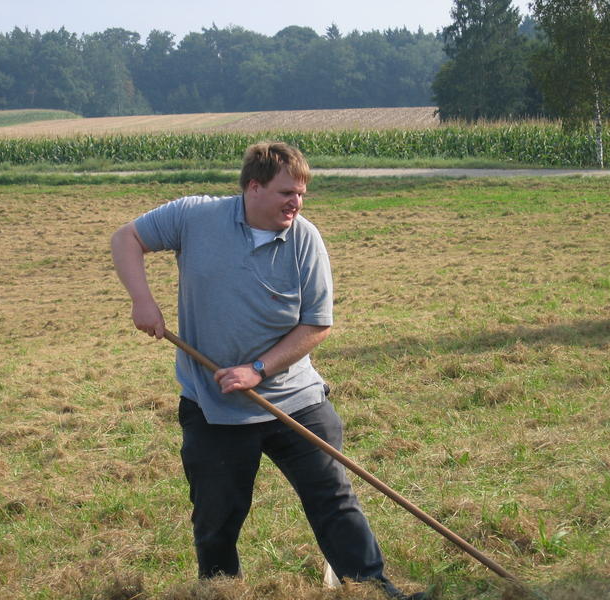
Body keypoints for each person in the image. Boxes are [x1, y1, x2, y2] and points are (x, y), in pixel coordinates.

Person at [110, 141, 425, 600]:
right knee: (216, 515)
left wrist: (258, 369)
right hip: (214, 406)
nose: (296, 203)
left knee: (333, 499)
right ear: (253, 188)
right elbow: (126, 238)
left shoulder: (305, 239)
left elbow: (317, 324)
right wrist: (142, 300)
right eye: (286, 193)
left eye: (301, 194)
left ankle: (372, 589)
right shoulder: (194, 217)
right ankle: (220, 592)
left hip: (296, 401)